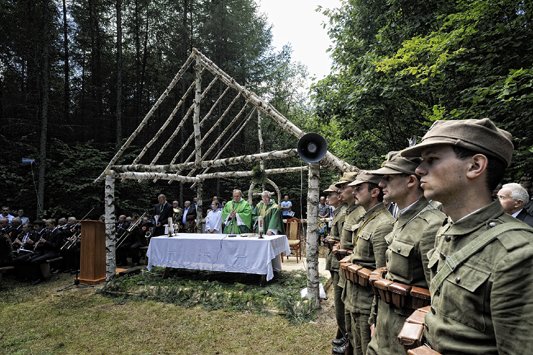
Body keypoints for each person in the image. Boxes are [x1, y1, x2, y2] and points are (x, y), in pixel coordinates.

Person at [401, 118, 533, 354]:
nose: (419, 169)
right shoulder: (447, 230)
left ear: (474, 166)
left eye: (432, 160)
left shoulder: (517, 253)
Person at [366, 151, 446, 355]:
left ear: (411, 180)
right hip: (382, 331)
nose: (381, 185)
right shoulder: (401, 220)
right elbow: (384, 275)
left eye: (388, 178)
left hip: (404, 337)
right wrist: (374, 319)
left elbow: (438, 299)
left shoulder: (431, 225)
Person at [342, 171, 394, 355]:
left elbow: (382, 274)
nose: (354, 192)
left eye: (359, 188)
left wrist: (375, 316)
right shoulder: (367, 218)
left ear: (374, 192)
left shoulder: (383, 224)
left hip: (365, 304)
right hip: (353, 299)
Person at [332, 171, 365, 354]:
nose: (339, 192)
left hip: (352, 274)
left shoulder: (360, 212)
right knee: (343, 315)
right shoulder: (350, 211)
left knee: (350, 321)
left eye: (344, 187)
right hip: (343, 270)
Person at [322, 184, 348, 350]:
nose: (328, 197)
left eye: (331, 194)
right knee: (338, 304)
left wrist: (333, 242)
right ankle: (343, 334)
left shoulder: (344, 213)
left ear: (339, 196)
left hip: (340, 263)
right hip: (335, 262)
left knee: (341, 304)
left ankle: (346, 335)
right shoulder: (337, 212)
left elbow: (346, 242)